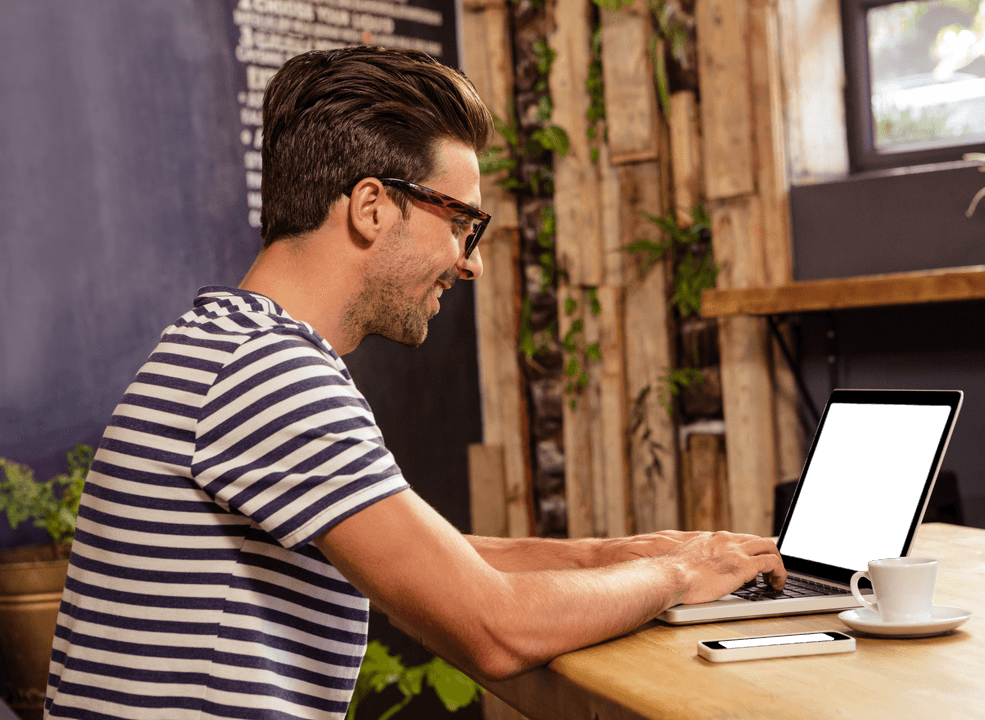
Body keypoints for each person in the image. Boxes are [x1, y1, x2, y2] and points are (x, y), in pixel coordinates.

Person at [44, 45, 785, 720]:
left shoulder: (225, 342)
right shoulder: (269, 371)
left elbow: (432, 561)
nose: (472, 262)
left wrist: (623, 556)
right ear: (373, 206)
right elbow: (493, 626)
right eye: (462, 221)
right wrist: (679, 576)